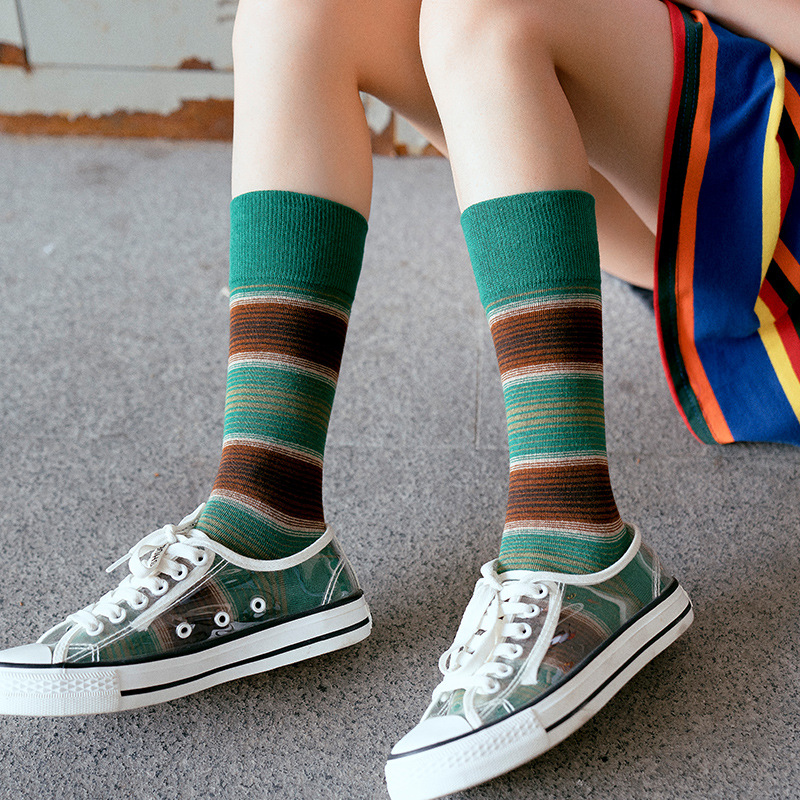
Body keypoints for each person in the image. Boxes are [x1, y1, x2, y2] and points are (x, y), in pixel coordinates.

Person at [1, 1, 798, 798]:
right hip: (708, 182)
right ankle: (264, 518)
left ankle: (573, 533)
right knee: (297, 13)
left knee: (485, 11)